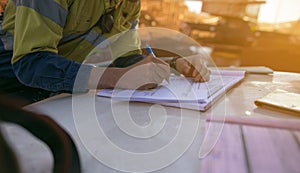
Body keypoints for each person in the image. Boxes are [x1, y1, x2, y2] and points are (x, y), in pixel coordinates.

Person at [0, 0, 210, 105]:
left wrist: (174, 63)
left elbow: (125, 57)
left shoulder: (128, 3)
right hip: (10, 89)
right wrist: (116, 78)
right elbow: (30, 63)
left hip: (54, 93)